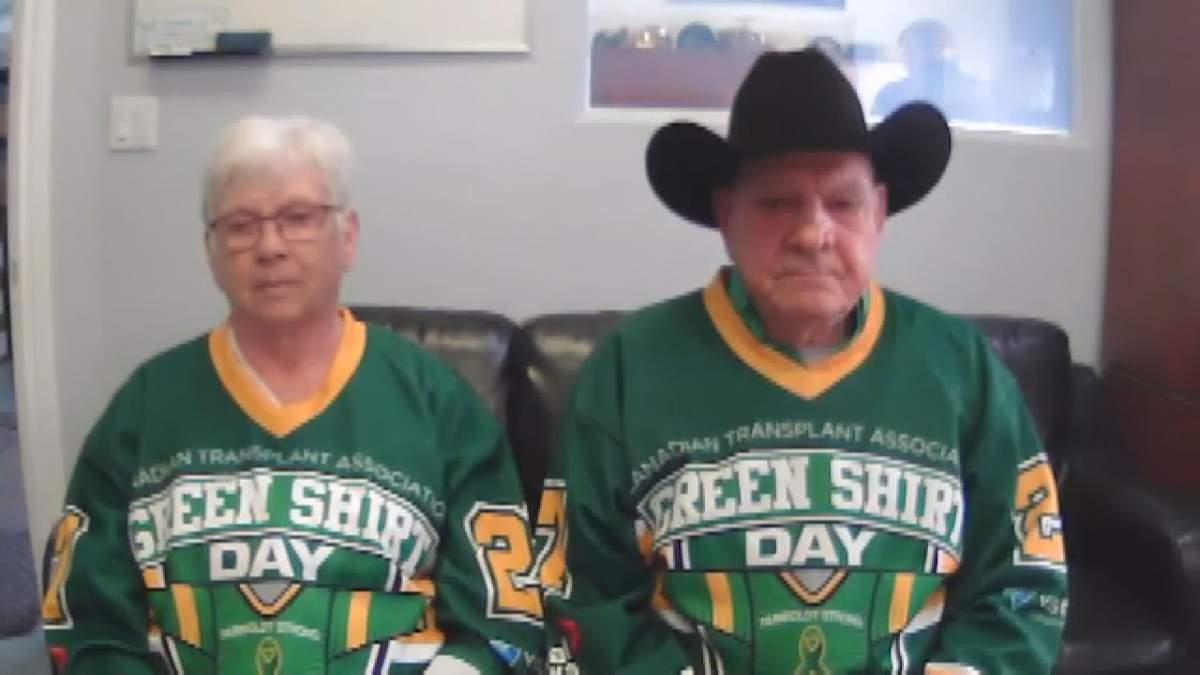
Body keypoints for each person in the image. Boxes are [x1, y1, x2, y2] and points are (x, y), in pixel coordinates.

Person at [540, 49, 1067, 674]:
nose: (813, 232)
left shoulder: (961, 368)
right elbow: (579, 588)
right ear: (726, 215)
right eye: (778, 204)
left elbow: (1023, 583)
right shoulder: (630, 366)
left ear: (879, 213)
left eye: (842, 204)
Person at [40, 116, 543, 674]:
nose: (270, 246)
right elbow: (85, 618)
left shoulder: (437, 402)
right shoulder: (147, 404)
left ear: (347, 237)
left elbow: (504, 618)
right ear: (211, 251)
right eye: (240, 225)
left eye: (299, 218)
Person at [872, 19, 988, 122]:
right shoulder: (890, 95)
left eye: (912, 50)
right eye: (906, 51)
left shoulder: (975, 93)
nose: (906, 58)